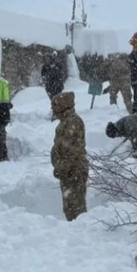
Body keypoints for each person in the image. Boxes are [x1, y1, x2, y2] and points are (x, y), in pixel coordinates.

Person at [50, 92, 88, 222]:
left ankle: (81, 235)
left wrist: (62, 166)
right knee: (69, 208)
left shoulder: (73, 122)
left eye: (54, 106)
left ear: (63, 106)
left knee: (77, 208)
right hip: (67, 171)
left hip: (74, 170)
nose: (52, 109)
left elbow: (71, 151)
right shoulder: (65, 122)